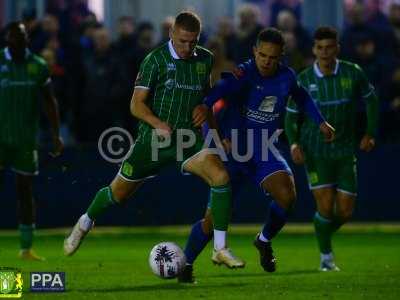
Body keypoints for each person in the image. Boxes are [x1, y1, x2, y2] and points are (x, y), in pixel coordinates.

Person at [63, 11, 244, 269]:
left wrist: (214, 132)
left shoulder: (205, 59)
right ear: (171, 34)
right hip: (153, 141)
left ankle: (220, 248)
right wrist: (158, 124)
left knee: (221, 178)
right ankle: (84, 224)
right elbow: (136, 105)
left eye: (193, 42)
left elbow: (205, 101)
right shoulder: (155, 60)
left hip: (187, 140)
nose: (187, 47)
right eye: (182, 41)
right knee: (118, 195)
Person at [177, 28, 335, 283]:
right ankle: (185, 263)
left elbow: (302, 97)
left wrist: (321, 122)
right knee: (213, 220)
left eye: (272, 57)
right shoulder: (241, 74)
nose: (266, 61)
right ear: (254, 52)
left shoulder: (286, 77)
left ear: (281, 56)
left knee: (287, 196)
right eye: (262, 55)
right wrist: (214, 139)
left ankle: (263, 241)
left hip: (264, 149)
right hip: (233, 154)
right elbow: (209, 102)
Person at [285, 26, 379, 271]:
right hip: (315, 152)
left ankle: (321, 231)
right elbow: (291, 115)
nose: (325, 53)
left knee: (345, 211)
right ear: (314, 49)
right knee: (325, 207)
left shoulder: (353, 73)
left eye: (329, 47)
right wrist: (294, 142)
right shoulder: (303, 80)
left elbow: (371, 100)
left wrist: (370, 133)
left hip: (345, 151)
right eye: (320, 48)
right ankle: (326, 258)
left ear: (337, 47)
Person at [0, 22, 64, 260]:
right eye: (13, 37)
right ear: (7, 39)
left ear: (27, 39)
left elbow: (50, 101)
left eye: (21, 37)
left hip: (26, 140)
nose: (17, 41)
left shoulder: (37, 66)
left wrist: (56, 134)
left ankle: (26, 248)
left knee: (24, 191)